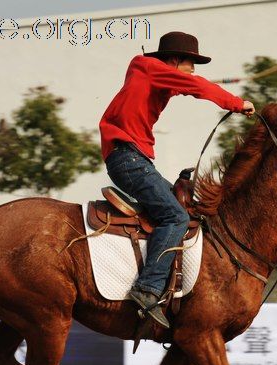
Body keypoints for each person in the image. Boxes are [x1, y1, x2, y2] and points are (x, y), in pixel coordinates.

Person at [99, 31, 255, 328]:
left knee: (176, 210)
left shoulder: (153, 76)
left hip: (132, 159)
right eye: (190, 62)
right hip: (129, 159)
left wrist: (198, 87)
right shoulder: (148, 67)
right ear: (172, 60)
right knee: (175, 217)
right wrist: (237, 103)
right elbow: (193, 84)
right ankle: (147, 290)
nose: (194, 69)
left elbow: (188, 85)